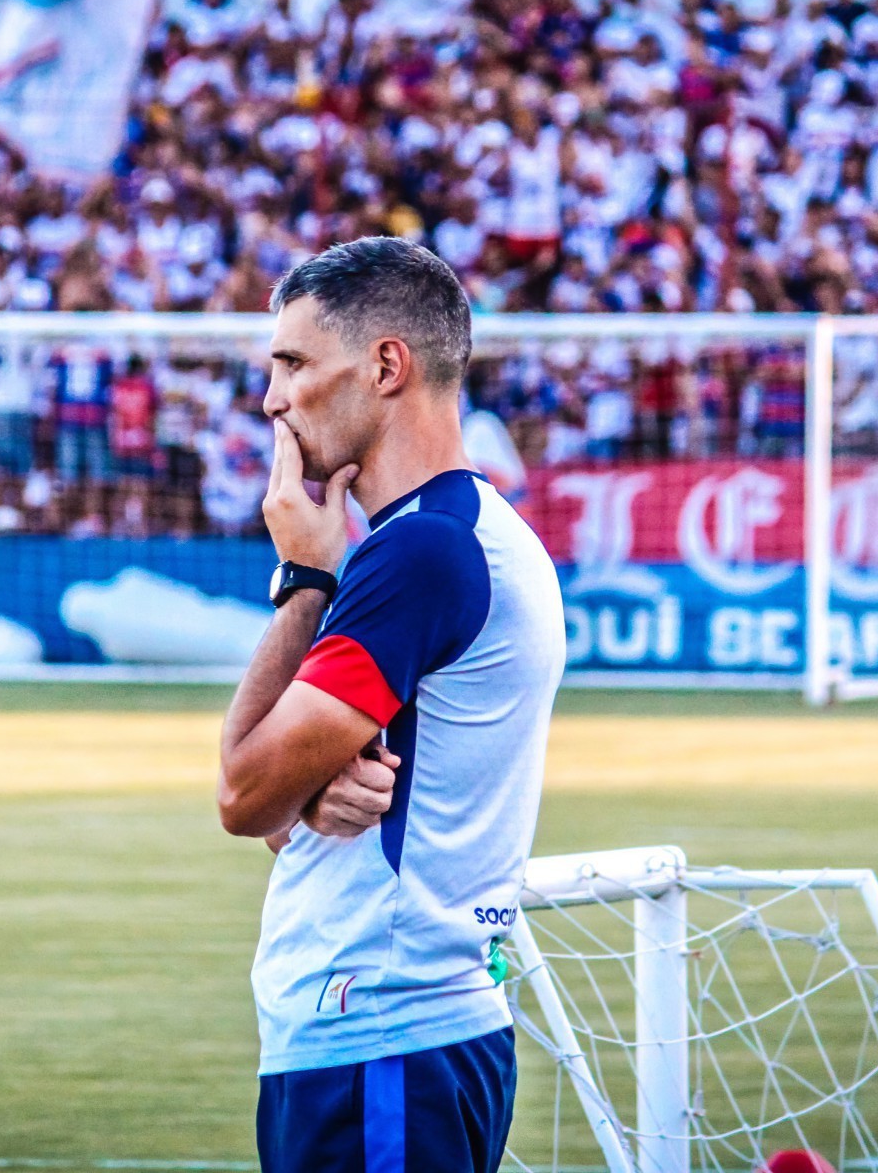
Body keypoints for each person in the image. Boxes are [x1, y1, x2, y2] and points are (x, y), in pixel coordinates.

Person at [217, 238, 565, 1173]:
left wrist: (305, 575)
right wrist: (306, 789)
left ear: (384, 366)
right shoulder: (470, 533)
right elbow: (286, 811)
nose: (273, 399)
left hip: (381, 1032)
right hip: (405, 1031)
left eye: (293, 363)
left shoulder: (421, 555)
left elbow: (244, 793)